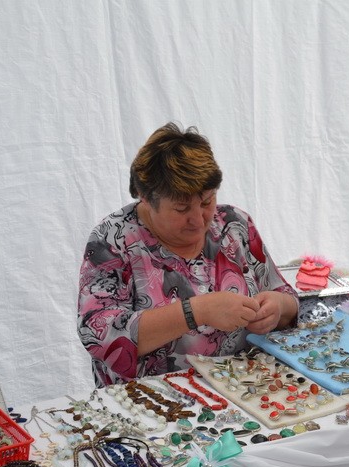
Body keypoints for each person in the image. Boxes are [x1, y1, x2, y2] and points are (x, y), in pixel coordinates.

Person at [77, 123, 298, 386]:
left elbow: (288, 299)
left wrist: (277, 308)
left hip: (242, 390)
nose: (199, 219)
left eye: (206, 201)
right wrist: (197, 311)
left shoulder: (233, 225)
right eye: (181, 208)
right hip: (150, 400)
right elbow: (99, 336)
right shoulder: (113, 240)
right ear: (146, 198)